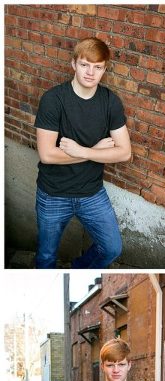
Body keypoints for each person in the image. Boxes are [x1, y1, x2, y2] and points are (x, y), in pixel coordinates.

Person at [34, 36, 132, 269]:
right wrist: (95, 151)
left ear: (104, 69)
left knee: (111, 248)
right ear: (73, 64)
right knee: (46, 256)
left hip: (92, 193)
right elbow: (47, 155)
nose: (90, 72)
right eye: (85, 65)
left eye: (98, 67)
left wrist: (82, 150)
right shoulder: (53, 100)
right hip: (53, 194)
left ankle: (79, 269)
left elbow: (124, 153)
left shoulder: (110, 102)